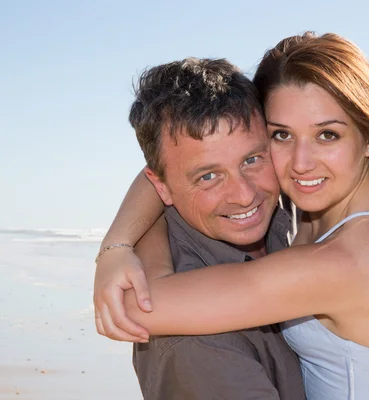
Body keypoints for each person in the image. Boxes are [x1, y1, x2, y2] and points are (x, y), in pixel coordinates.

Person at [95, 32, 369, 399]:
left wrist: (121, 249)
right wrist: (119, 241)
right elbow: (172, 165)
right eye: (282, 134)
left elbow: (138, 307)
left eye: (327, 135)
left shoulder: (346, 261)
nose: (300, 163)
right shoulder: (356, 186)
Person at [94, 57, 305, 399]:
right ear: (161, 187)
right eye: (208, 177)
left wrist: (117, 243)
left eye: (251, 160)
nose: (244, 195)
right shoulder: (193, 345)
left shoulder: (297, 201)